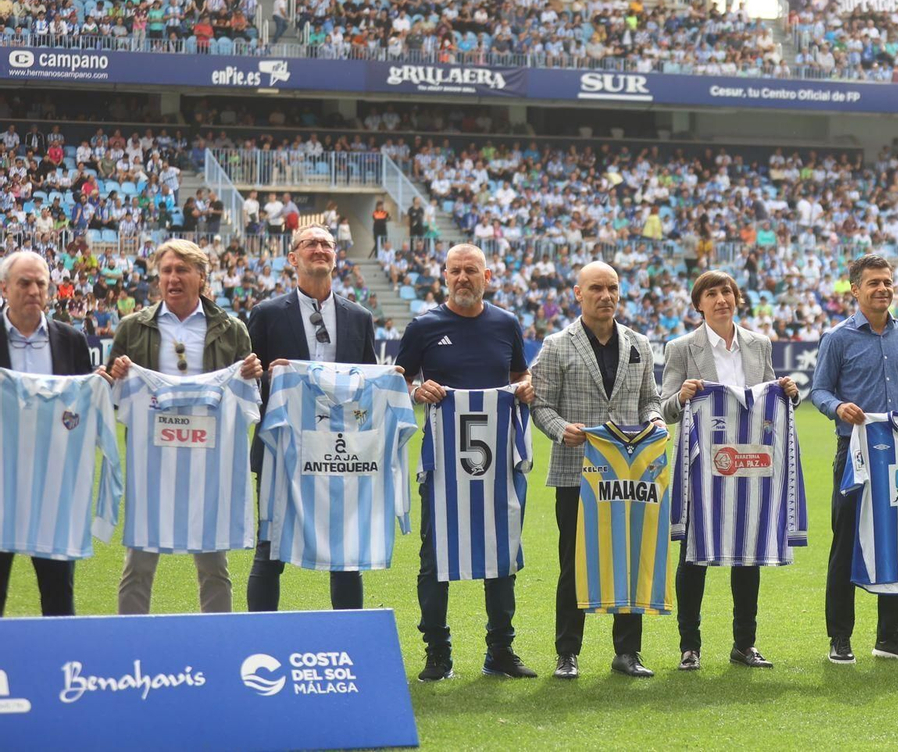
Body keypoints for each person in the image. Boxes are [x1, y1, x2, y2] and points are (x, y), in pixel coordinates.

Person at [396, 243, 535, 682]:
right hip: (443, 467)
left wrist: (527, 387)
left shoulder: (505, 323)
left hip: (495, 465)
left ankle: (500, 651)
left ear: (487, 277)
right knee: (435, 557)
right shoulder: (424, 327)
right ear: (444, 276)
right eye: (455, 271)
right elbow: (398, 380)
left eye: (471, 271)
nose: (463, 278)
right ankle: (437, 653)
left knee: (502, 551)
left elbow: (519, 375)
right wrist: (418, 392)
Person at [810, 253, 898, 665]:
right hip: (855, 455)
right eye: (873, 283)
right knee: (846, 544)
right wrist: (839, 409)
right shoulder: (837, 339)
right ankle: (840, 636)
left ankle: (889, 635)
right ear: (855, 290)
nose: (883, 289)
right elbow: (819, 391)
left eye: (887, 282)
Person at [108, 238, 262, 614]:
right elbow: (110, 392)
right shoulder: (133, 327)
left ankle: (217, 643)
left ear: (201, 277)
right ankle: (128, 645)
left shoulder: (230, 328)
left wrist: (251, 374)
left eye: (182, 270)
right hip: (151, 460)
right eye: (166, 271)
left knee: (213, 565)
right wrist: (113, 376)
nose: (173, 278)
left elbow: (247, 388)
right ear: (157, 278)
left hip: (210, 463)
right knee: (138, 562)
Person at [529, 261, 663, 680]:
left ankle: (628, 652)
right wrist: (558, 428)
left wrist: (656, 420)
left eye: (612, 288)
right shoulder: (556, 345)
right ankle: (567, 653)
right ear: (577, 293)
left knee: (629, 557)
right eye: (596, 289)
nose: (606, 296)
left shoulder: (638, 343)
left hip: (629, 473)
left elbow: (651, 400)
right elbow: (540, 404)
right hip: (576, 472)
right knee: (574, 563)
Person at [660, 270, 799, 671]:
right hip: (702, 467)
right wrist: (681, 396)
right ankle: (690, 645)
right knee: (693, 556)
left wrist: (791, 393)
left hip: (750, 464)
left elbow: (774, 400)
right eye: (711, 294)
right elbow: (664, 405)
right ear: (698, 304)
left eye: (727, 292)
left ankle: (745, 643)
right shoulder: (682, 347)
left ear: (736, 298)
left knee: (748, 553)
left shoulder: (759, 344)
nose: (721, 299)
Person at [245, 224, 378, 613]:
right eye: (310, 244)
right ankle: (262, 639)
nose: (319, 249)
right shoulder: (266, 314)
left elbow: (368, 381)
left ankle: (350, 640)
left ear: (335, 256)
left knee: (346, 555)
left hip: (340, 449)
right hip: (283, 448)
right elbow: (249, 382)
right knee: (270, 550)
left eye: (326, 244)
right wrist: (270, 374)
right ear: (293, 258)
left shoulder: (359, 316)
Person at [0, 250, 125, 616]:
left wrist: (96, 385)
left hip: (55, 492)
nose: (34, 290)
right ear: (4, 288)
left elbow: (78, 408)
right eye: (25, 282)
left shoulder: (70, 339)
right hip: (3, 489)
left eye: (41, 283)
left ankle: (59, 671)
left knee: (58, 597)